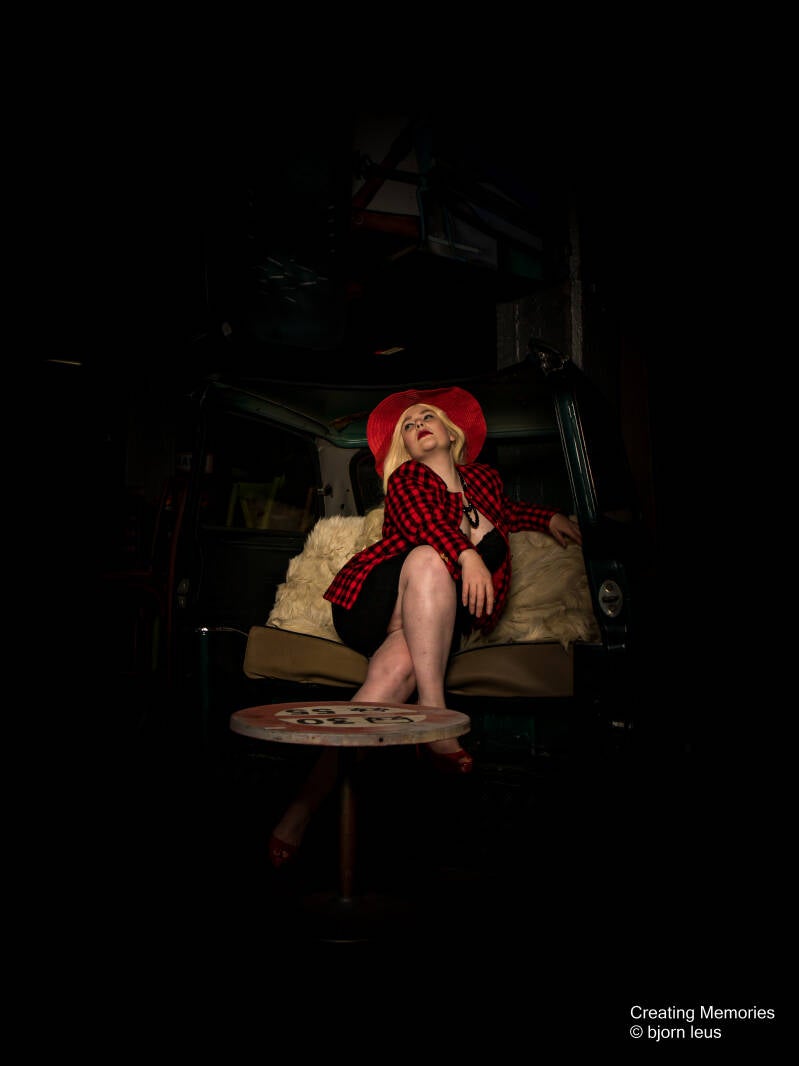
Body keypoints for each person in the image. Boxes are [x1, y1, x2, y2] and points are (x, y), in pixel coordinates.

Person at [268, 385, 582, 868]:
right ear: (407, 448)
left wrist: (549, 515)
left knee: (386, 686)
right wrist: (467, 555)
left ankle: (301, 809)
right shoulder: (408, 480)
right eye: (409, 426)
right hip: (376, 601)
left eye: (426, 417)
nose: (418, 425)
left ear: (451, 433)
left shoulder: (484, 482)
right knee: (429, 557)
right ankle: (435, 714)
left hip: (427, 619)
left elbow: (507, 514)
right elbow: (425, 527)